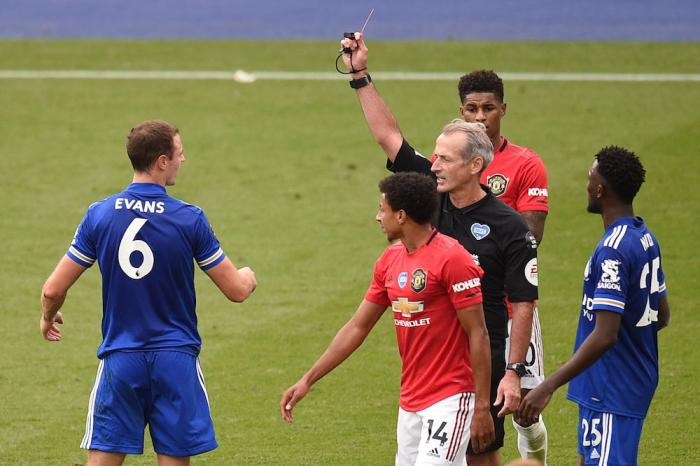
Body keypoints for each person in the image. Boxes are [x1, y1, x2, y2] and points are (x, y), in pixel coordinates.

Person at [341, 33, 538, 466]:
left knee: (482, 456)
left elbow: (523, 303)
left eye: (445, 159)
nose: (435, 166)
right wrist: (359, 74)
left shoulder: (508, 226)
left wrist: (513, 371)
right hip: (434, 362)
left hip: (482, 350)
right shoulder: (431, 191)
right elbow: (388, 136)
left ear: (474, 165)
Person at [40, 120, 257, 466]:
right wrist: (249, 275)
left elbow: (53, 290)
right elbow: (237, 290)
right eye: (179, 153)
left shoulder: (99, 215)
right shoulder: (189, 219)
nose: (182, 160)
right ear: (161, 161)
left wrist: (48, 316)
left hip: (122, 359)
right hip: (175, 361)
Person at [280, 172, 494, 465]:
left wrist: (482, 406)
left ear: (401, 215)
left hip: (451, 398)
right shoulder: (390, 260)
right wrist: (308, 380)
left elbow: (478, 333)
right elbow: (357, 327)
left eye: (383, 209)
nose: (378, 217)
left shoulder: (453, 259)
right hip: (410, 401)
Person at [518, 146, 670, 466]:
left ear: (600, 190)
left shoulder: (613, 250)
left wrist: (548, 385)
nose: (586, 184)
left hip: (612, 386)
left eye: (590, 177)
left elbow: (605, 335)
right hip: (616, 381)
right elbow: (662, 314)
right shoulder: (645, 236)